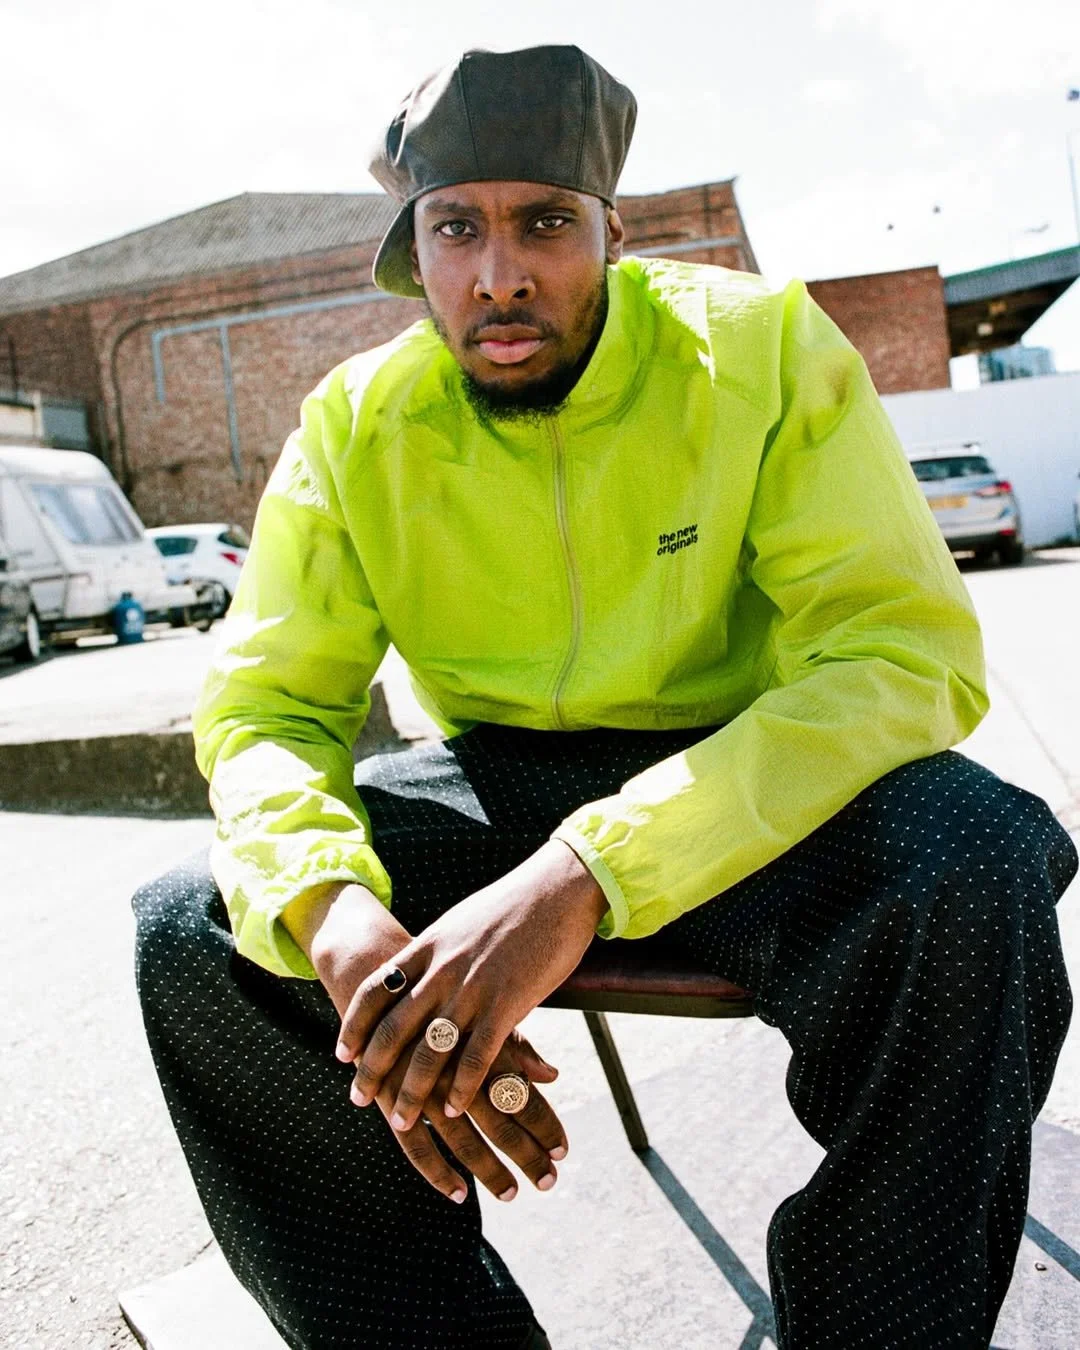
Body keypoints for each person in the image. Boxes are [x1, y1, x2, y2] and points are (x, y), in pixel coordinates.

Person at [133, 44, 1076, 1350]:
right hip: (492, 775)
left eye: (546, 225)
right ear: (414, 253)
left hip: (747, 772)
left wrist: (585, 874)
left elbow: (904, 650)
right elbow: (262, 709)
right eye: (457, 229)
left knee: (975, 862)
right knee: (198, 932)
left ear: (614, 233)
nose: (501, 274)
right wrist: (342, 929)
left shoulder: (760, 350)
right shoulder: (354, 423)